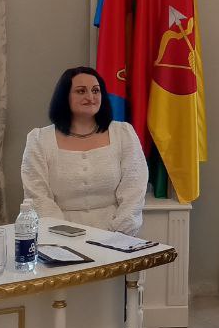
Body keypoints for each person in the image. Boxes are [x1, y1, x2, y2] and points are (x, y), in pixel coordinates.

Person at [21, 67, 147, 234]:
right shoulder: (39, 139)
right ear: (65, 96)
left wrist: (117, 236)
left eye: (96, 90)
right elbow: (38, 197)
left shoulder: (123, 133)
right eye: (81, 91)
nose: (90, 97)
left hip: (116, 236)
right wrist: (65, 235)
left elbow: (134, 190)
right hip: (59, 237)